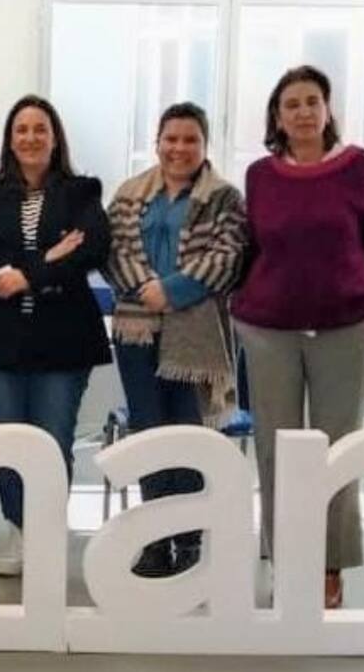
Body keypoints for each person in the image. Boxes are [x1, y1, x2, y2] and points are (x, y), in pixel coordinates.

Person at [233, 65, 364, 608]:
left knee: (337, 451)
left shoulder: (359, 168)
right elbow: (250, 248)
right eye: (291, 104)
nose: (303, 112)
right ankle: (286, 561)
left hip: (345, 329)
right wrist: (240, 305)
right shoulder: (260, 176)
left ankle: (329, 565)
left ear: (328, 110)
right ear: (277, 117)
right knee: (275, 452)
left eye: (312, 101)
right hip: (269, 332)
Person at [0, 95, 111, 577]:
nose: (30, 138)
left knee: (52, 440)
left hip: (63, 341)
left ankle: (45, 533)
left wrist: (27, 274)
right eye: (21, 129)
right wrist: (49, 256)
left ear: (55, 138)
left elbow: (92, 249)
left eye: (40, 129)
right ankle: (19, 530)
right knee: (6, 440)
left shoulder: (82, 191)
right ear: (9, 140)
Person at [105, 102, 248, 578]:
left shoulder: (224, 197)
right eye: (171, 139)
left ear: (205, 145)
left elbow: (228, 256)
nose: (179, 148)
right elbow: (113, 250)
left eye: (190, 140)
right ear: (157, 142)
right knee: (149, 433)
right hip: (136, 329)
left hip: (197, 332)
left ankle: (188, 539)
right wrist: (146, 288)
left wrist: (172, 290)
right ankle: (153, 539)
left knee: (189, 435)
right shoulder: (129, 194)